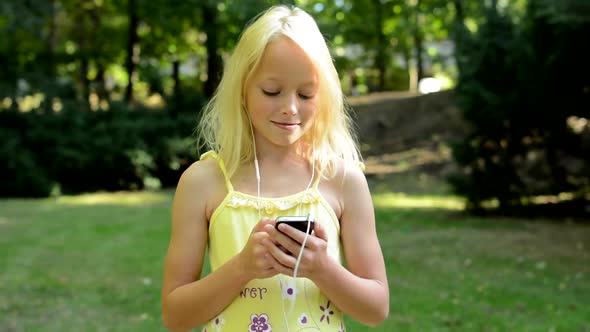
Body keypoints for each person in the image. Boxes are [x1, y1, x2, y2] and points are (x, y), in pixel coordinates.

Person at [161, 5, 389, 332]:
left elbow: (376, 309)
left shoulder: (342, 180)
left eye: (306, 93)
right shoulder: (203, 182)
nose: (290, 108)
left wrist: (323, 268)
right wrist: (242, 267)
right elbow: (175, 316)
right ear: (242, 90)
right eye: (272, 91)